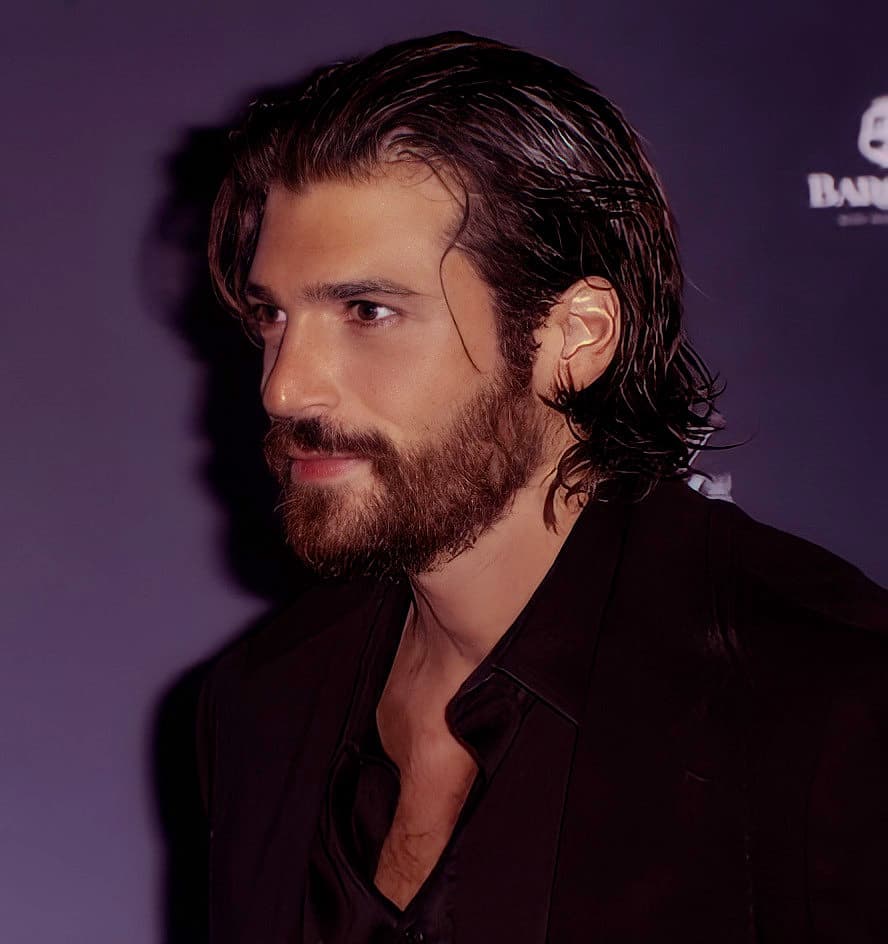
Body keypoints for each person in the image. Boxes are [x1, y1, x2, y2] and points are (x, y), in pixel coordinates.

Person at [197, 31, 888, 943]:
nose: (285, 389)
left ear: (575, 337)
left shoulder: (832, 702)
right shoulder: (261, 701)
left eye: (368, 311)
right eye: (274, 316)